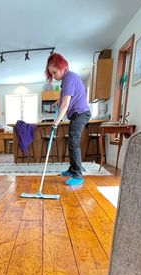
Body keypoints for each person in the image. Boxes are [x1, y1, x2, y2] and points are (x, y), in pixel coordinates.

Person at [45, 53, 91, 186]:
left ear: (62, 66)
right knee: (72, 142)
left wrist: (55, 123)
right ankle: (72, 169)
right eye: (51, 74)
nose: (53, 76)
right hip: (77, 114)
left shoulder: (69, 78)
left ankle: (77, 175)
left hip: (80, 113)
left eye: (54, 72)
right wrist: (59, 100)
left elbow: (65, 105)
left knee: (73, 142)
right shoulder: (68, 79)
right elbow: (67, 98)